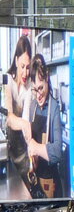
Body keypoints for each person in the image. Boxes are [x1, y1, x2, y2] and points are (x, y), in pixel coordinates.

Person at [25, 53, 67, 199]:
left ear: (47, 78)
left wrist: (35, 146)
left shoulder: (54, 107)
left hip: (51, 183)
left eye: (41, 88)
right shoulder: (32, 106)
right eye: (35, 89)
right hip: (36, 178)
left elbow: (56, 153)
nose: (38, 95)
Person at [5, 34, 33, 201]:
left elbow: (27, 117)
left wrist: (32, 153)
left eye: (28, 67)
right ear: (16, 61)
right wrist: (24, 124)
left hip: (22, 155)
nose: (25, 72)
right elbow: (9, 117)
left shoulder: (29, 87)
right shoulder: (6, 80)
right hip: (8, 153)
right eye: (22, 66)